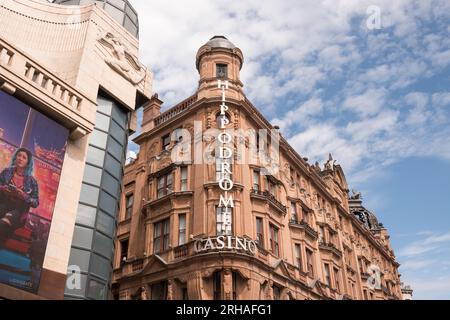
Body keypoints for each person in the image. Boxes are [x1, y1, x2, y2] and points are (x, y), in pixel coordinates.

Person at [0, 147, 39, 243]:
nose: (20, 158)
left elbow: (36, 202)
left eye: (24, 157)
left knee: (2, 225)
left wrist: (24, 196)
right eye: (19, 155)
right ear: (15, 157)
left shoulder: (32, 181)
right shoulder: (6, 172)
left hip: (18, 210)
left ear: (28, 162)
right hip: (3, 204)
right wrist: (3, 189)